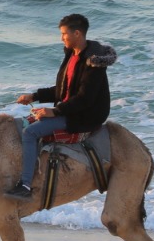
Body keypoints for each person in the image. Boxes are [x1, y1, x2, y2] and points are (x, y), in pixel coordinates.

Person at [8, 14, 118, 199]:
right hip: (69, 108)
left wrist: (55, 111)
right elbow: (62, 90)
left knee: (30, 133)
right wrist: (34, 96)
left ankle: (26, 186)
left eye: (64, 34)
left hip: (84, 115)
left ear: (76, 33)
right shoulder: (71, 55)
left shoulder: (93, 63)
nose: (61, 38)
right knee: (23, 123)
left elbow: (85, 99)